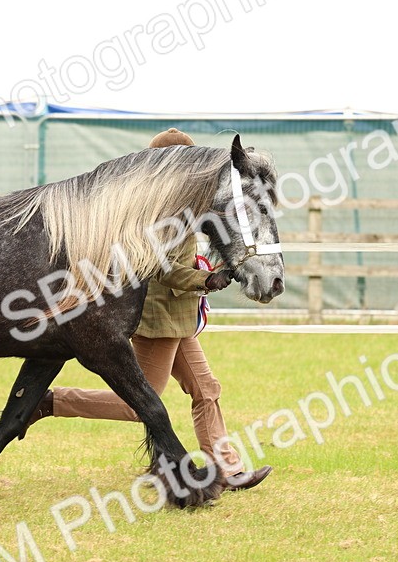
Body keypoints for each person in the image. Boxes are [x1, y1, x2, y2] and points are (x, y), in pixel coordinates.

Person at [24, 128, 273, 492]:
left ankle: (228, 468)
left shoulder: (185, 206)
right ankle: (50, 402)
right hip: (159, 319)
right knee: (136, 404)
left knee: (206, 389)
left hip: (179, 317)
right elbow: (164, 270)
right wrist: (205, 280)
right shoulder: (158, 214)